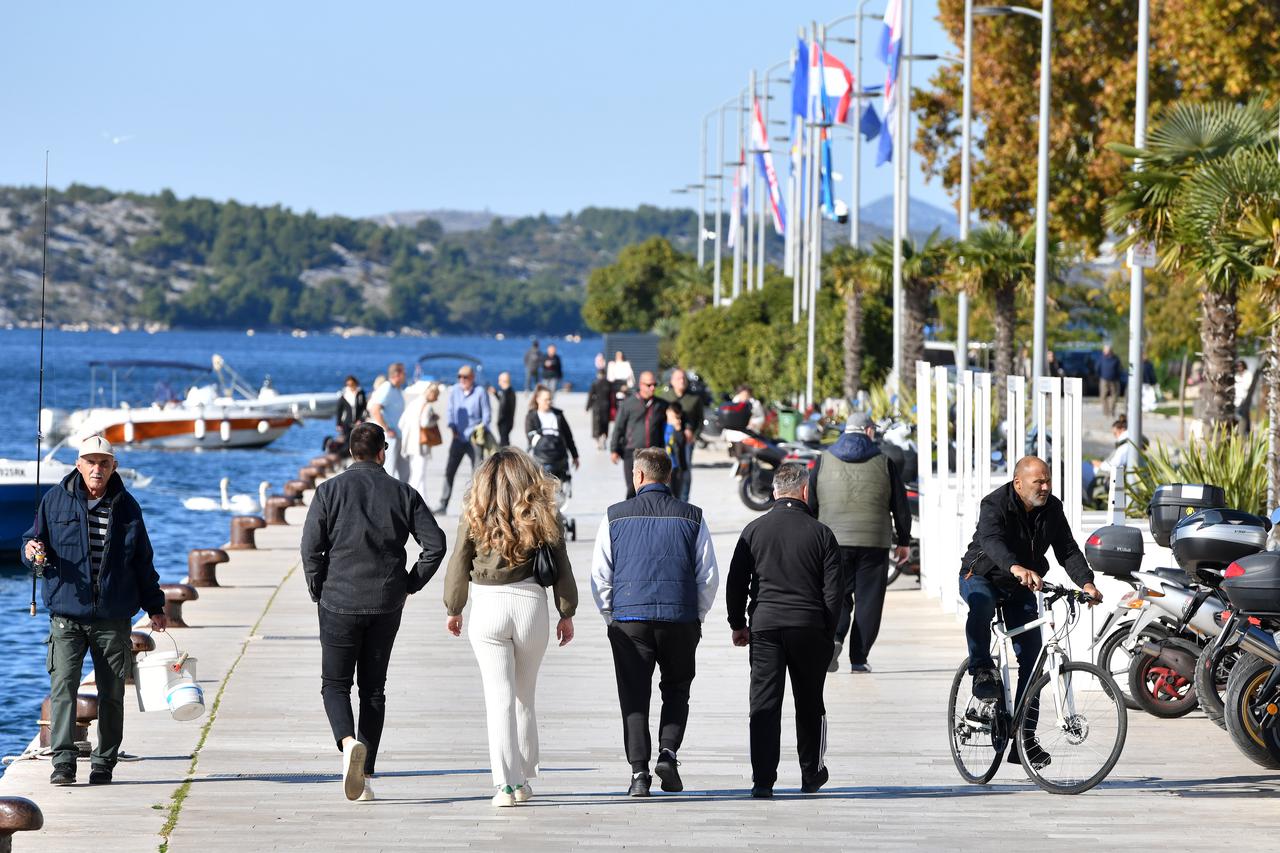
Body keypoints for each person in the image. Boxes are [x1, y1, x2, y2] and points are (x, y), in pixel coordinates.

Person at [301, 422, 447, 802]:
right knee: (374, 689)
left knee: (334, 684)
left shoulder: (328, 491)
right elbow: (436, 545)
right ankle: (363, 776)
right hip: (385, 602)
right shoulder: (403, 493)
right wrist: (409, 583)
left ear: (351, 452)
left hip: (338, 601)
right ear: (382, 452)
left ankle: (348, 742)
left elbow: (310, 548)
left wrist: (317, 586)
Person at [21, 435, 168, 787]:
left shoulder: (128, 507)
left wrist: (156, 606)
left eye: (104, 462)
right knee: (63, 688)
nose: (97, 468)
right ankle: (63, 763)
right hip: (66, 617)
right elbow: (31, 541)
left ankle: (104, 762)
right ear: (78, 464)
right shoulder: (53, 501)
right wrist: (31, 551)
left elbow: (142, 561)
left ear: (113, 466)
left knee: (112, 693)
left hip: (113, 618)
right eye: (90, 461)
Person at [443, 449, 577, 807]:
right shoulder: (544, 510)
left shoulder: (474, 511)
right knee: (524, 695)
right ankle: (523, 775)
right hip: (531, 602)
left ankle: (505, 785)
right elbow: (561, 563)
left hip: (487, 606)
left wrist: (454, 607)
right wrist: (567, 610)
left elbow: (459, 559)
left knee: (497, 699)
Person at [959, 456, 1102, 771]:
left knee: (1033, 660)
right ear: (1018, 482)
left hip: (1021, 585)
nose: (1046, 487)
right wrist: (1015, 566)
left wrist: (1087, 583)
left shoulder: (1052, 508)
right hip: (982, 574)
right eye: (1039, 481)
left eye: (1048, 480)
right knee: (981, 604)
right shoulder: (994, 504)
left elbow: (1067, 549)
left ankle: (1024, 738)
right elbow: (992, 541)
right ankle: (982, 670)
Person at [591, 448, 718, 797]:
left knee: (634, 696)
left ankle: (638, 775)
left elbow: (601, 575)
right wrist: (696, 617)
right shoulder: (692, 517)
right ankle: (669, 752)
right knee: (677, 689)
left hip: (629, 619)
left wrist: (610, 617)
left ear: (639, 476)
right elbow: (707, 576)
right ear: (669, 476)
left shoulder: (614, 517)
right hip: (679, 619)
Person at [726, 462, 842, 799]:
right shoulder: (822, 534)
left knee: (764, 704)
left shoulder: (754, 530)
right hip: (808, 628)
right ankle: (811, 773)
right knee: (810, 704)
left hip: (765, 628)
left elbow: (736, 582)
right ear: (806, 492)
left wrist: (738, 624)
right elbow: (834, 593)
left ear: (775, 492)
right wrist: (827, 633)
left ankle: (763, 780)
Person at [807, 412, 911, 674]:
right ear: (867, 431)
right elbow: (900, 505)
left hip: (832, 541)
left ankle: (835, 638)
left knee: (837, 594)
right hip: (874, 541)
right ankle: (859, 659)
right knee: (869, 600)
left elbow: (811, 503)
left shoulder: (823, 459)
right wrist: (903, 540)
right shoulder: (884, 461)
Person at [436, 364, 492, 515]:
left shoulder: (480, 392)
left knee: (477, 473)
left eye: (465, 377)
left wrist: (481, 430)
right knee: (449, 471)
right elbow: (450, 411)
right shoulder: (455, 390)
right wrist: (452, 427)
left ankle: (477, 507)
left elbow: (487, 415)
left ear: (472, 377)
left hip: (474, 439)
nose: (462, 379)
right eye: (459, 376)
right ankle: (443, 504)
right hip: (458, 437)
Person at [610, 371, 668, 499]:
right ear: (641, 385)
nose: (652, 388)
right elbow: (618, 427)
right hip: (632, 452)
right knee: (633, 487)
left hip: (653, 453)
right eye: (649, 385)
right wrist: (614, 449)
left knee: (654, 487)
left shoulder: (661, 405)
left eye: (654, 384)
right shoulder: (628, 404)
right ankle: (631, 516)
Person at [664, 369, 704, 501]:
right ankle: (669, 497)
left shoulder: (694, 398)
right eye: (678, 378)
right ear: (672, 381)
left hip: (686, 440)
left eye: (684, 379)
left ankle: (684, 498)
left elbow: (700, 419)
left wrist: (695, 435)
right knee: (669, 468)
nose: (681, 381)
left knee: (685, 468)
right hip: (669, 439)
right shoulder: (665, 397)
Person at [367, 362, 409, 482]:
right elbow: (375, 409)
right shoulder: (387, 387)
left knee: (405, 472)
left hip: (399, 435)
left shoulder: (396, 389)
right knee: (390, 469)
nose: (405, 375)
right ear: (398, 374)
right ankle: (388, 498)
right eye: (404, 373)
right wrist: (387, 429)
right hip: (391, 437)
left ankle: (403, 498)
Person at [525, 387, 580, 479]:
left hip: (560, 456)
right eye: (546, 400)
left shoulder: (558, 415)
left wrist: (575, 456)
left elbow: (568, 436)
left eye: (550, 399)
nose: (549, 402)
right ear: (538, 399)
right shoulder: (531, 416)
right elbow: (530, 436)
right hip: (541, 457)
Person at [400, 380, 440, 504]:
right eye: (437, 395)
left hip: (410, 443)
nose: (437, 398)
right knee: (418, 475)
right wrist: (435, 419)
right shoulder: (427, 406)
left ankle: (423, 503)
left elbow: (401, 423)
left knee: (417, 473)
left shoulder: (414, 402)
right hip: (421, 444)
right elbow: (425, 423)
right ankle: (408, 501)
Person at [663, 405, 687, 502]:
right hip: (664, 466)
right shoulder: (662, 426)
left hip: (676, 466)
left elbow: (681, 444)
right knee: (666, 493)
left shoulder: (678, 428)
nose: (676, 418)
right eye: (673, 415)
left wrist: (678, 429)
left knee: (676, 494)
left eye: (677, 416)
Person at [336, 375, 367, 448]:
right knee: (347, 440)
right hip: (346, 422)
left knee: (358, 440)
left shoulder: (360, 393)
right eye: (348, 385)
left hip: (358, 422)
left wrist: (361, 420)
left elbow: (364, 408)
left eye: (352, 384)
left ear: (356, 383)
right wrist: (338, 424)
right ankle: (347, 455)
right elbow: (339, 410)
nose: (351, 386)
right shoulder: (344, 395)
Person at [586, 369, 613, 451]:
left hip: (597, 407)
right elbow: (612, 397)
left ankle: (598, 443)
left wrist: (587, 407)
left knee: (596, 426)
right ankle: (604, 440)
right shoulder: (609, 384)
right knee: (605, 425)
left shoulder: (595, 383)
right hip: (606, 406)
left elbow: (591, 396)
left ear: (598, 374)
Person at [1097, 344, 1124, 418]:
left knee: (1115, 395)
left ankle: (1112, 411)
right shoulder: (1102, 358)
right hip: (1104, 379)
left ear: (1110, 351)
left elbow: (1120, 369)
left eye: (1106, 351)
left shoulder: (1116, 359)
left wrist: (1118, 377)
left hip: (1114, 380)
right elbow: (1098, 368)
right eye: (1104, 351)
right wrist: (1100, 376)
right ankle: (1106, 412)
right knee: (1103, 396)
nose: (1104, 352)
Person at [493, 371, 517, 447]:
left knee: (504, 444)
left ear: (504, 381)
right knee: (504, 441)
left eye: (499, 380)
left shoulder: (507, 393)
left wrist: (499, 421)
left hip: (504, 423)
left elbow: (503, 407)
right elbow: (502, 401)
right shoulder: (510, 392)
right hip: (508, 422)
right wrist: (495, 394)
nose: (498, 383)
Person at [1234, 359, 1254, 432]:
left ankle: (1246, 431)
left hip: (1245, 399)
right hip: (1236, 400)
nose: (1239, 367)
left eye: (1241, 366)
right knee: (1237, 417)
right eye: (1238, 366)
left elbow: (1247, 386)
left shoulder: (1248, 374)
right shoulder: (1236, 375)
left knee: (1245, 417)